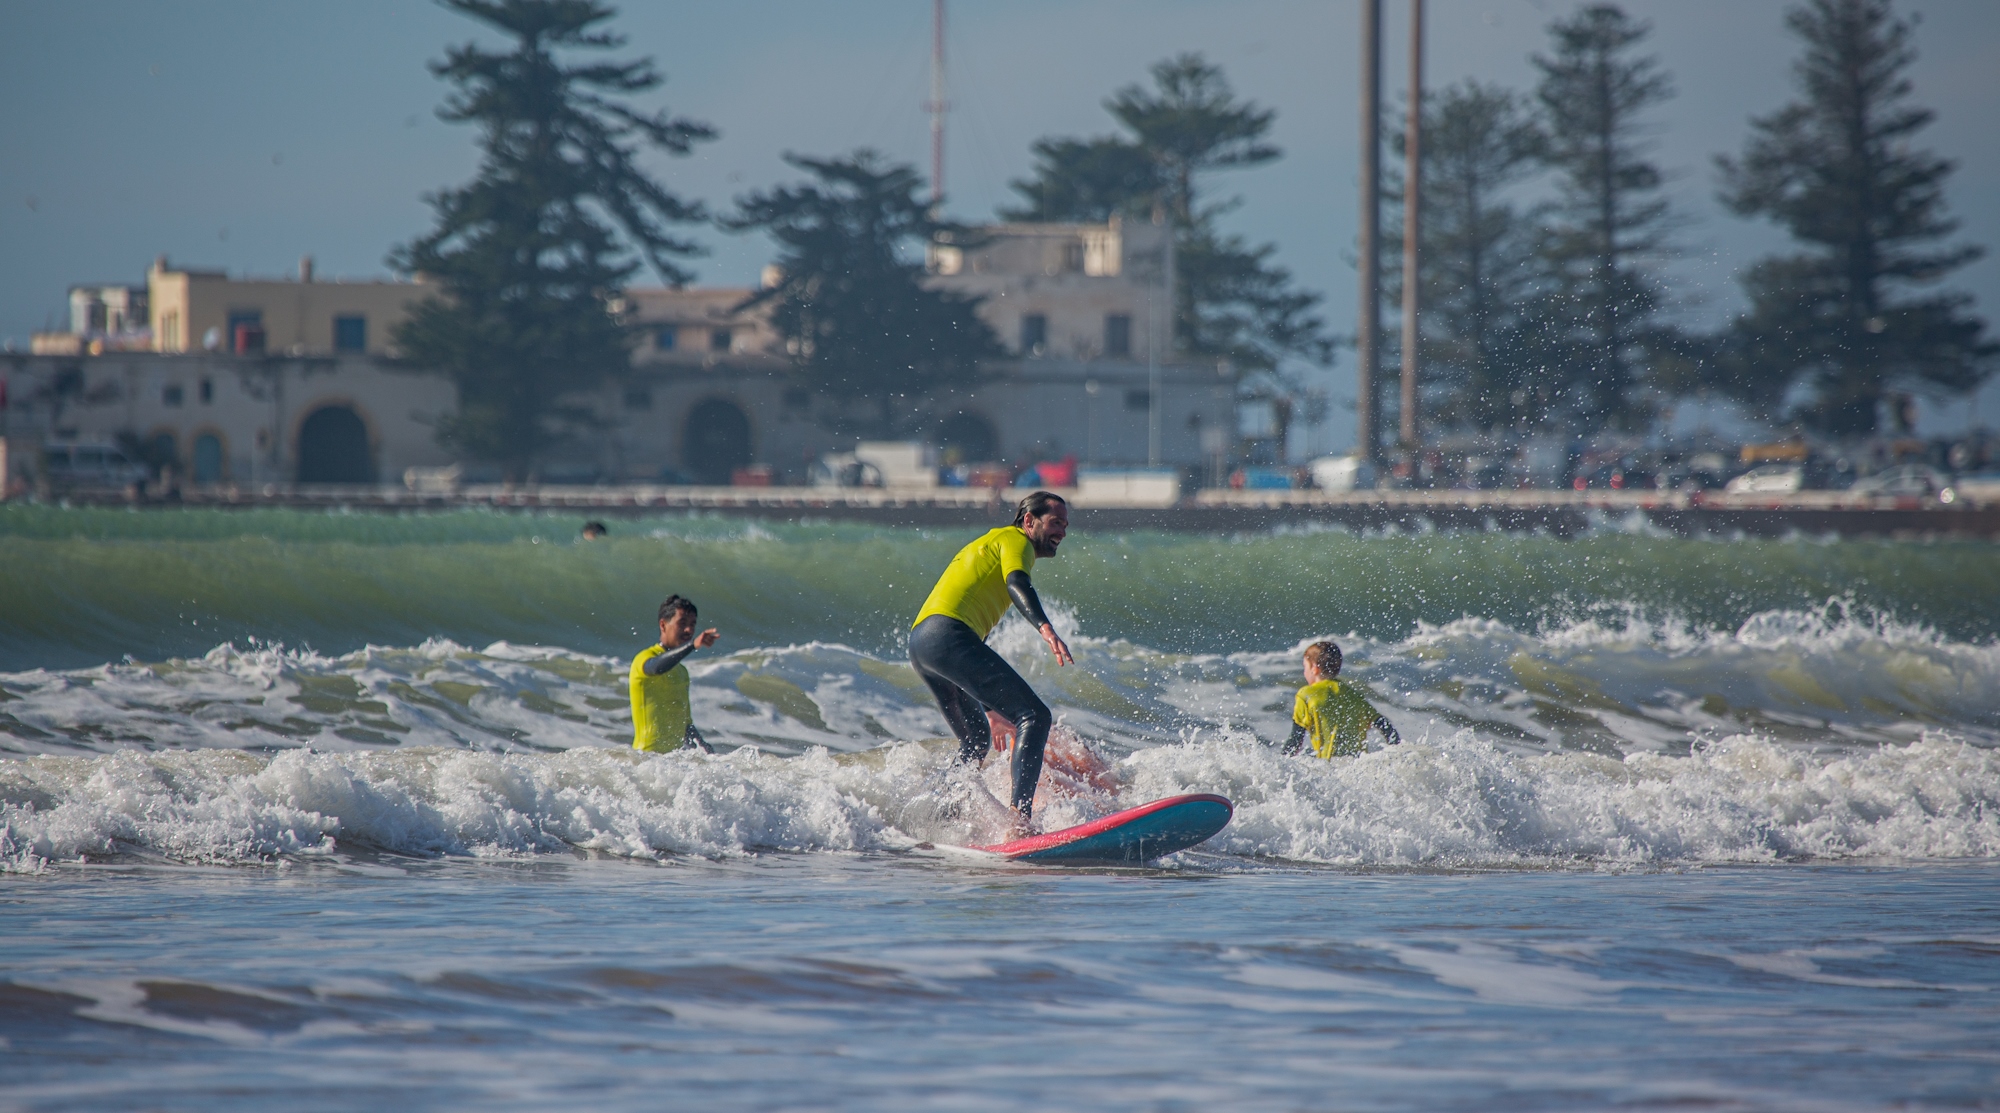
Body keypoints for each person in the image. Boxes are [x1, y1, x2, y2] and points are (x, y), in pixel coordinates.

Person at [909, 490, 1074, 823]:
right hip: (948, 635)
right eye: (1055, 523)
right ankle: (1019, 822)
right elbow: (1017, 582)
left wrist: (990, 709)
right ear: (1029, 521)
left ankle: (939, 820)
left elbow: (969, 656)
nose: (1062, 533)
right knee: (1034, 716)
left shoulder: (991, 543)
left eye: (1066, 525)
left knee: (976, 739)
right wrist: (1045, 627)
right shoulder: (1016, 541)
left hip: (923, 643)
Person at [631, 595, 719, 753]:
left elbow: (686, 725)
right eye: (682, 623)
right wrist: (692, 645)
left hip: (673, 764)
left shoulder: (681, 672)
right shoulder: (643, 658)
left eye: (693, 624)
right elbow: (656, 667)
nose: (689, 630)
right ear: (663, 625)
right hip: (644, 760)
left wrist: (705, 750)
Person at [1283, 641, 1399, 758]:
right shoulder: (1353, 695)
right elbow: (1384, 724)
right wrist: (1396, 750)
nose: (1304, 672)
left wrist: (1282, 762)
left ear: (1314, 668)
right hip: (1357, 765)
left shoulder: (1306, 695)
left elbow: (1296, 739)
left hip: (1329, 768)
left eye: (1305, 667)